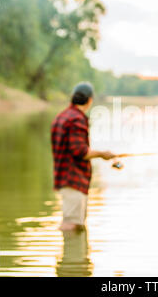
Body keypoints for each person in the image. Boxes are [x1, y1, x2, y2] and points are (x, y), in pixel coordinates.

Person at [51, 82, 116, 232]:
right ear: (89, 100)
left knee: (72, 223)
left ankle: (74, 255)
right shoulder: (77, 119)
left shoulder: (61, 116)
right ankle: (71, 255)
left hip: (63, 178)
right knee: (72, 225)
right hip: (74, 179)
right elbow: (80, 151)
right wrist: (103, 154)